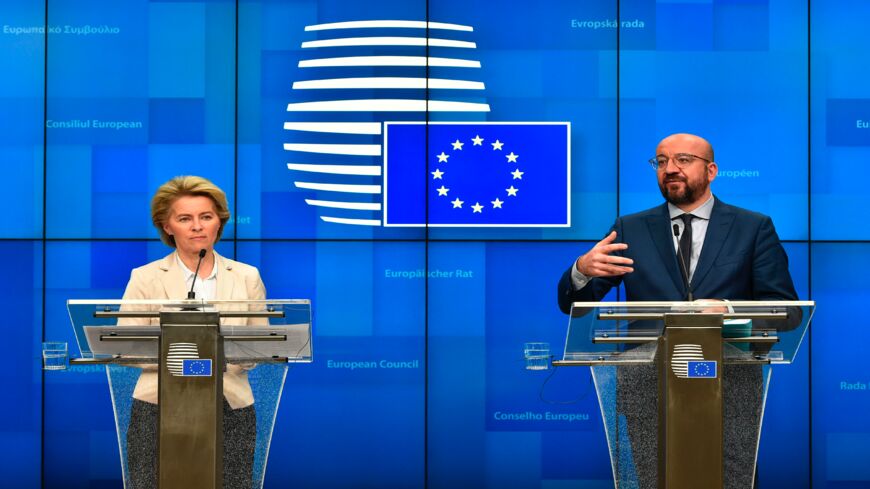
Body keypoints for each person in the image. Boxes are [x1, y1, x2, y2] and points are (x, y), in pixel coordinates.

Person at [557, 133, 798, 489]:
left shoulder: (753, 228)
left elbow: (787, 313)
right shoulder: (630, 228)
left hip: (729, 393)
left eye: (683, 160)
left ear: (711, 170)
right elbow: (574, 305)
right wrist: (581, 269)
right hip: (647, 391)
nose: (671, 169)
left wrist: (728, 309)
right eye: (661, 161)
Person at [121, 175, 265, 489]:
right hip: (156, 405)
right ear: (167, 226)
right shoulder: (145, 278)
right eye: (185, 218)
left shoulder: (246, 277)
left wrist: (210, 362)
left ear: (219, 223)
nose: (197, 226)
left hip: (231, 405)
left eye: (206, 217)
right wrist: (193, 364)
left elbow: (258, 346)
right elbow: (128, 346)